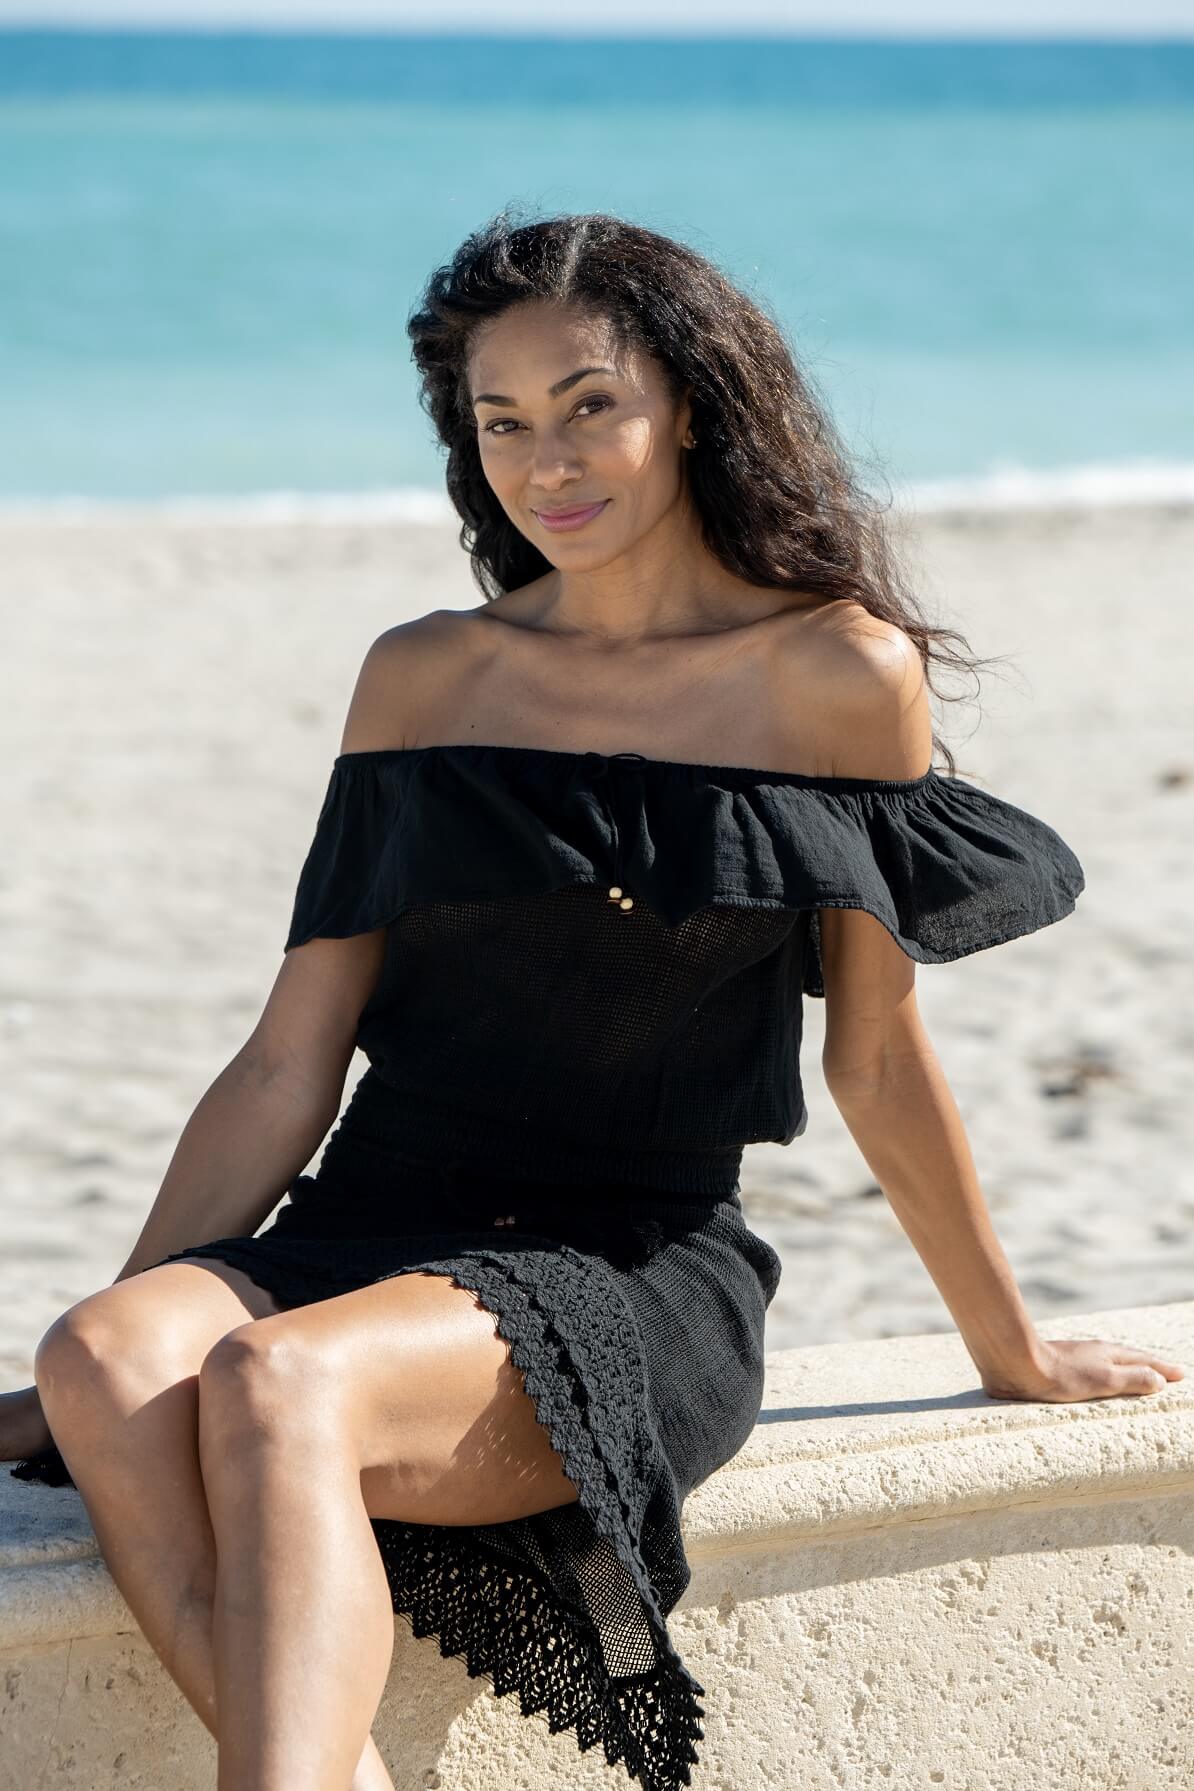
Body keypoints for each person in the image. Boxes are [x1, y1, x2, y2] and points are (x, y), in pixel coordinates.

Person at [4, 210, 1183, 1791]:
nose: (544, 463)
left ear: (689, 405)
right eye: (500, 422)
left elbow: (877, 1060)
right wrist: (126, 1326)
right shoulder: (426, 675)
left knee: (277, 1381)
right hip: (372, 1217)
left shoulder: (835, 676)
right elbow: (289, 1061)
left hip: (623, 1263)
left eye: (587, 406)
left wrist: (1008, 1344)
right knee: (100, 1357)